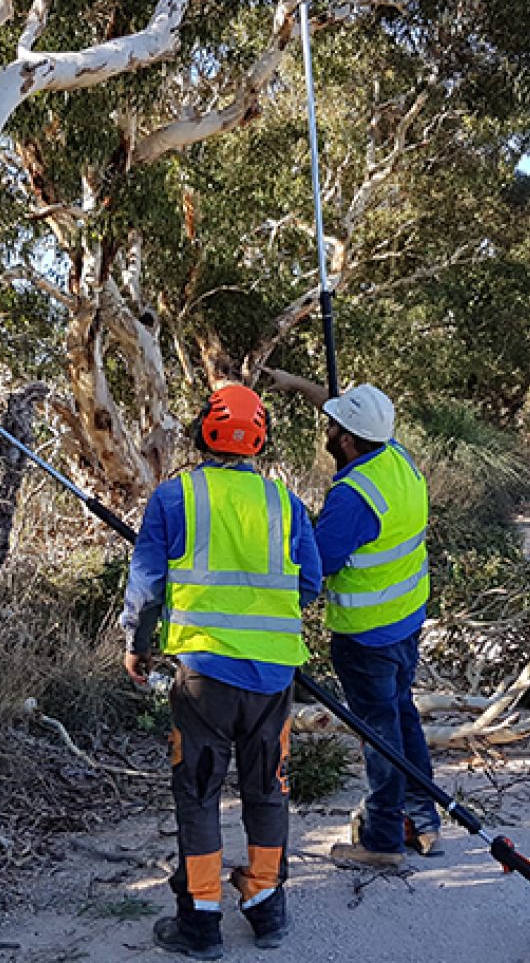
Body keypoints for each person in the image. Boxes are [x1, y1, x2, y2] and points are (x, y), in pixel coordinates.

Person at [120, 384, 322, 960]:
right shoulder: (285, 504)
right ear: (260, 440)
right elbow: (309, 584)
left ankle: (201, 918)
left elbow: (147, 587)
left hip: (204, 674)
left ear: (201, 433)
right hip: (274, 678)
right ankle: (266, 905)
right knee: (267, 789)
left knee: (198, 792)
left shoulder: (175, 497)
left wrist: (137, 644)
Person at [262, 368, 441, 867]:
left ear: (345, 439)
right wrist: (295, 384)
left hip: (366, 637)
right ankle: (422, 819)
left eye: (333, 426)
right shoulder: (396, 459)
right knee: (401, 716)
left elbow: (317, 565)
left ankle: (382, 840)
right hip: (405, 619)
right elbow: (349, 412)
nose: (327, 429)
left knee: (379, 734)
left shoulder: (353, 497)